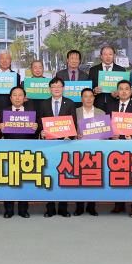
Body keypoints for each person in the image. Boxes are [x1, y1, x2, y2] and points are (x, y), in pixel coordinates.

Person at [37, 77, 77, 218]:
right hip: (49, 145)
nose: (56, 89)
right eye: (54, 86)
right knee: (49, 175)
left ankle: (63, 208)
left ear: (63, 88)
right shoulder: (43, 104)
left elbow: (74, 123)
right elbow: (39, 123)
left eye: (59, 86)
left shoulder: (70, 103)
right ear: (50, 89)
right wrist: (41, 132)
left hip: (64, 144)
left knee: (63, 176)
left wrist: (70, 136)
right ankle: (50, 208)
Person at [108, 79, 132, 215]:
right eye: (121, 89)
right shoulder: (110, 106)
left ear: (131, 91)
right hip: (116, 146)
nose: (123, 91)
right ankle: (119, 204)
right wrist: (111, 135)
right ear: (117, 92)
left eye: (126, 89)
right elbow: (106, 126)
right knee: (118, 175)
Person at [1, 86, 36, 218]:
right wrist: (0, 129)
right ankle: (8, 209)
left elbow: (37, 132)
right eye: (14, 95)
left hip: (26, 150)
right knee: (9, 180)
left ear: (24, 98)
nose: (17, 98)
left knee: (24, 180)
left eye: (20, 95)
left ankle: (23, 209)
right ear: (10, 98)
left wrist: (36, 128)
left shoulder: (31, 112)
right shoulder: (3, 112)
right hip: (8, 150)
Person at [75, 88, 104, 216]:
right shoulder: (75, 112)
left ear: (94, 98)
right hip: (79, 149)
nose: (88, 99)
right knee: (79, 178)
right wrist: (76, 136)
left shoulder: (101, 113)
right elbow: (71, 129)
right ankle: (79, 206)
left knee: (93, 178)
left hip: (95, 149)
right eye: (85, 96)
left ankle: (91, 206)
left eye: (90, 96)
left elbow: (105, 133)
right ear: (81, 99)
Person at [88, 45, 126, 111]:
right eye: (105, 54)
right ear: (101, 56)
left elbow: (125, 88)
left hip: (115, 104)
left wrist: (118, 94)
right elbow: (89, 88)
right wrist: (94, 91)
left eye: (110, 54)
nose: (108, 57)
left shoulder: (121, 70)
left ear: (114, 56)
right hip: (98, 105)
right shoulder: (93, 70)